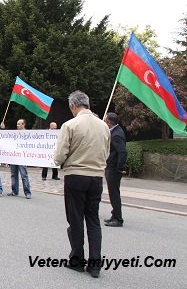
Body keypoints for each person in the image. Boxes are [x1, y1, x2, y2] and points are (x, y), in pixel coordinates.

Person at [54, 91, 110, 278]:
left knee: (76, 219)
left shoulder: (70, 125)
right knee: (93, 219)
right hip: (96, 177)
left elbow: (60, 155)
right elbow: (107, 153)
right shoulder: (104, 126)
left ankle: (77, 260)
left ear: (73, 106)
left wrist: (59, 161)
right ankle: (95, 264)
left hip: (76, 175)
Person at [104, 112, 128, 227]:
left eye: (105, 120)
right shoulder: (115, 131)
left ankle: (118, 219)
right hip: (111, 166)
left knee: (114, 194)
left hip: (113, 168)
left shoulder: (116, 134)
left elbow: (122, 152)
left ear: (109, 122)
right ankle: (114, 215)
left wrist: (119, 167)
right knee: (113, 193)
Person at [8, 118, 32, 199]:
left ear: (23, 124)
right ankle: (14, 191)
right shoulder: (14, 133)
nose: (17, 125)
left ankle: (27, 192)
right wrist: (3, 128)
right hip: (14, 156)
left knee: (24, 175)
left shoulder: (28, 134)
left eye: (19, 124)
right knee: (13, 175)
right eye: (17, 124)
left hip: (22, 157)